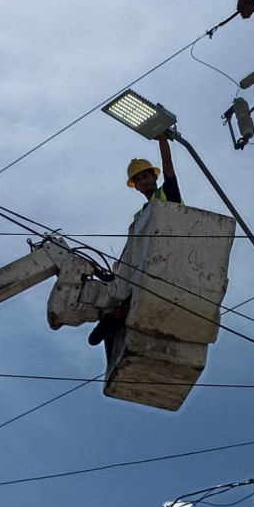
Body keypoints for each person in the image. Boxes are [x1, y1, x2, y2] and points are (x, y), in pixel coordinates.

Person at [88, 135, 183, 355]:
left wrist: (162, 140)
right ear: (136, 187)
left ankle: (121, 314)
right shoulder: (139, 216)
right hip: (145, 267)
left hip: (170, 256)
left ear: (154, 176)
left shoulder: (167, 194)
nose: (143, 181)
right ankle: (118, 316)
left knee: (137, 295)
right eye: (138, 180)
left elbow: (170, 170)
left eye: (146, 176)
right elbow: (133, 250)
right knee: (121, 294)